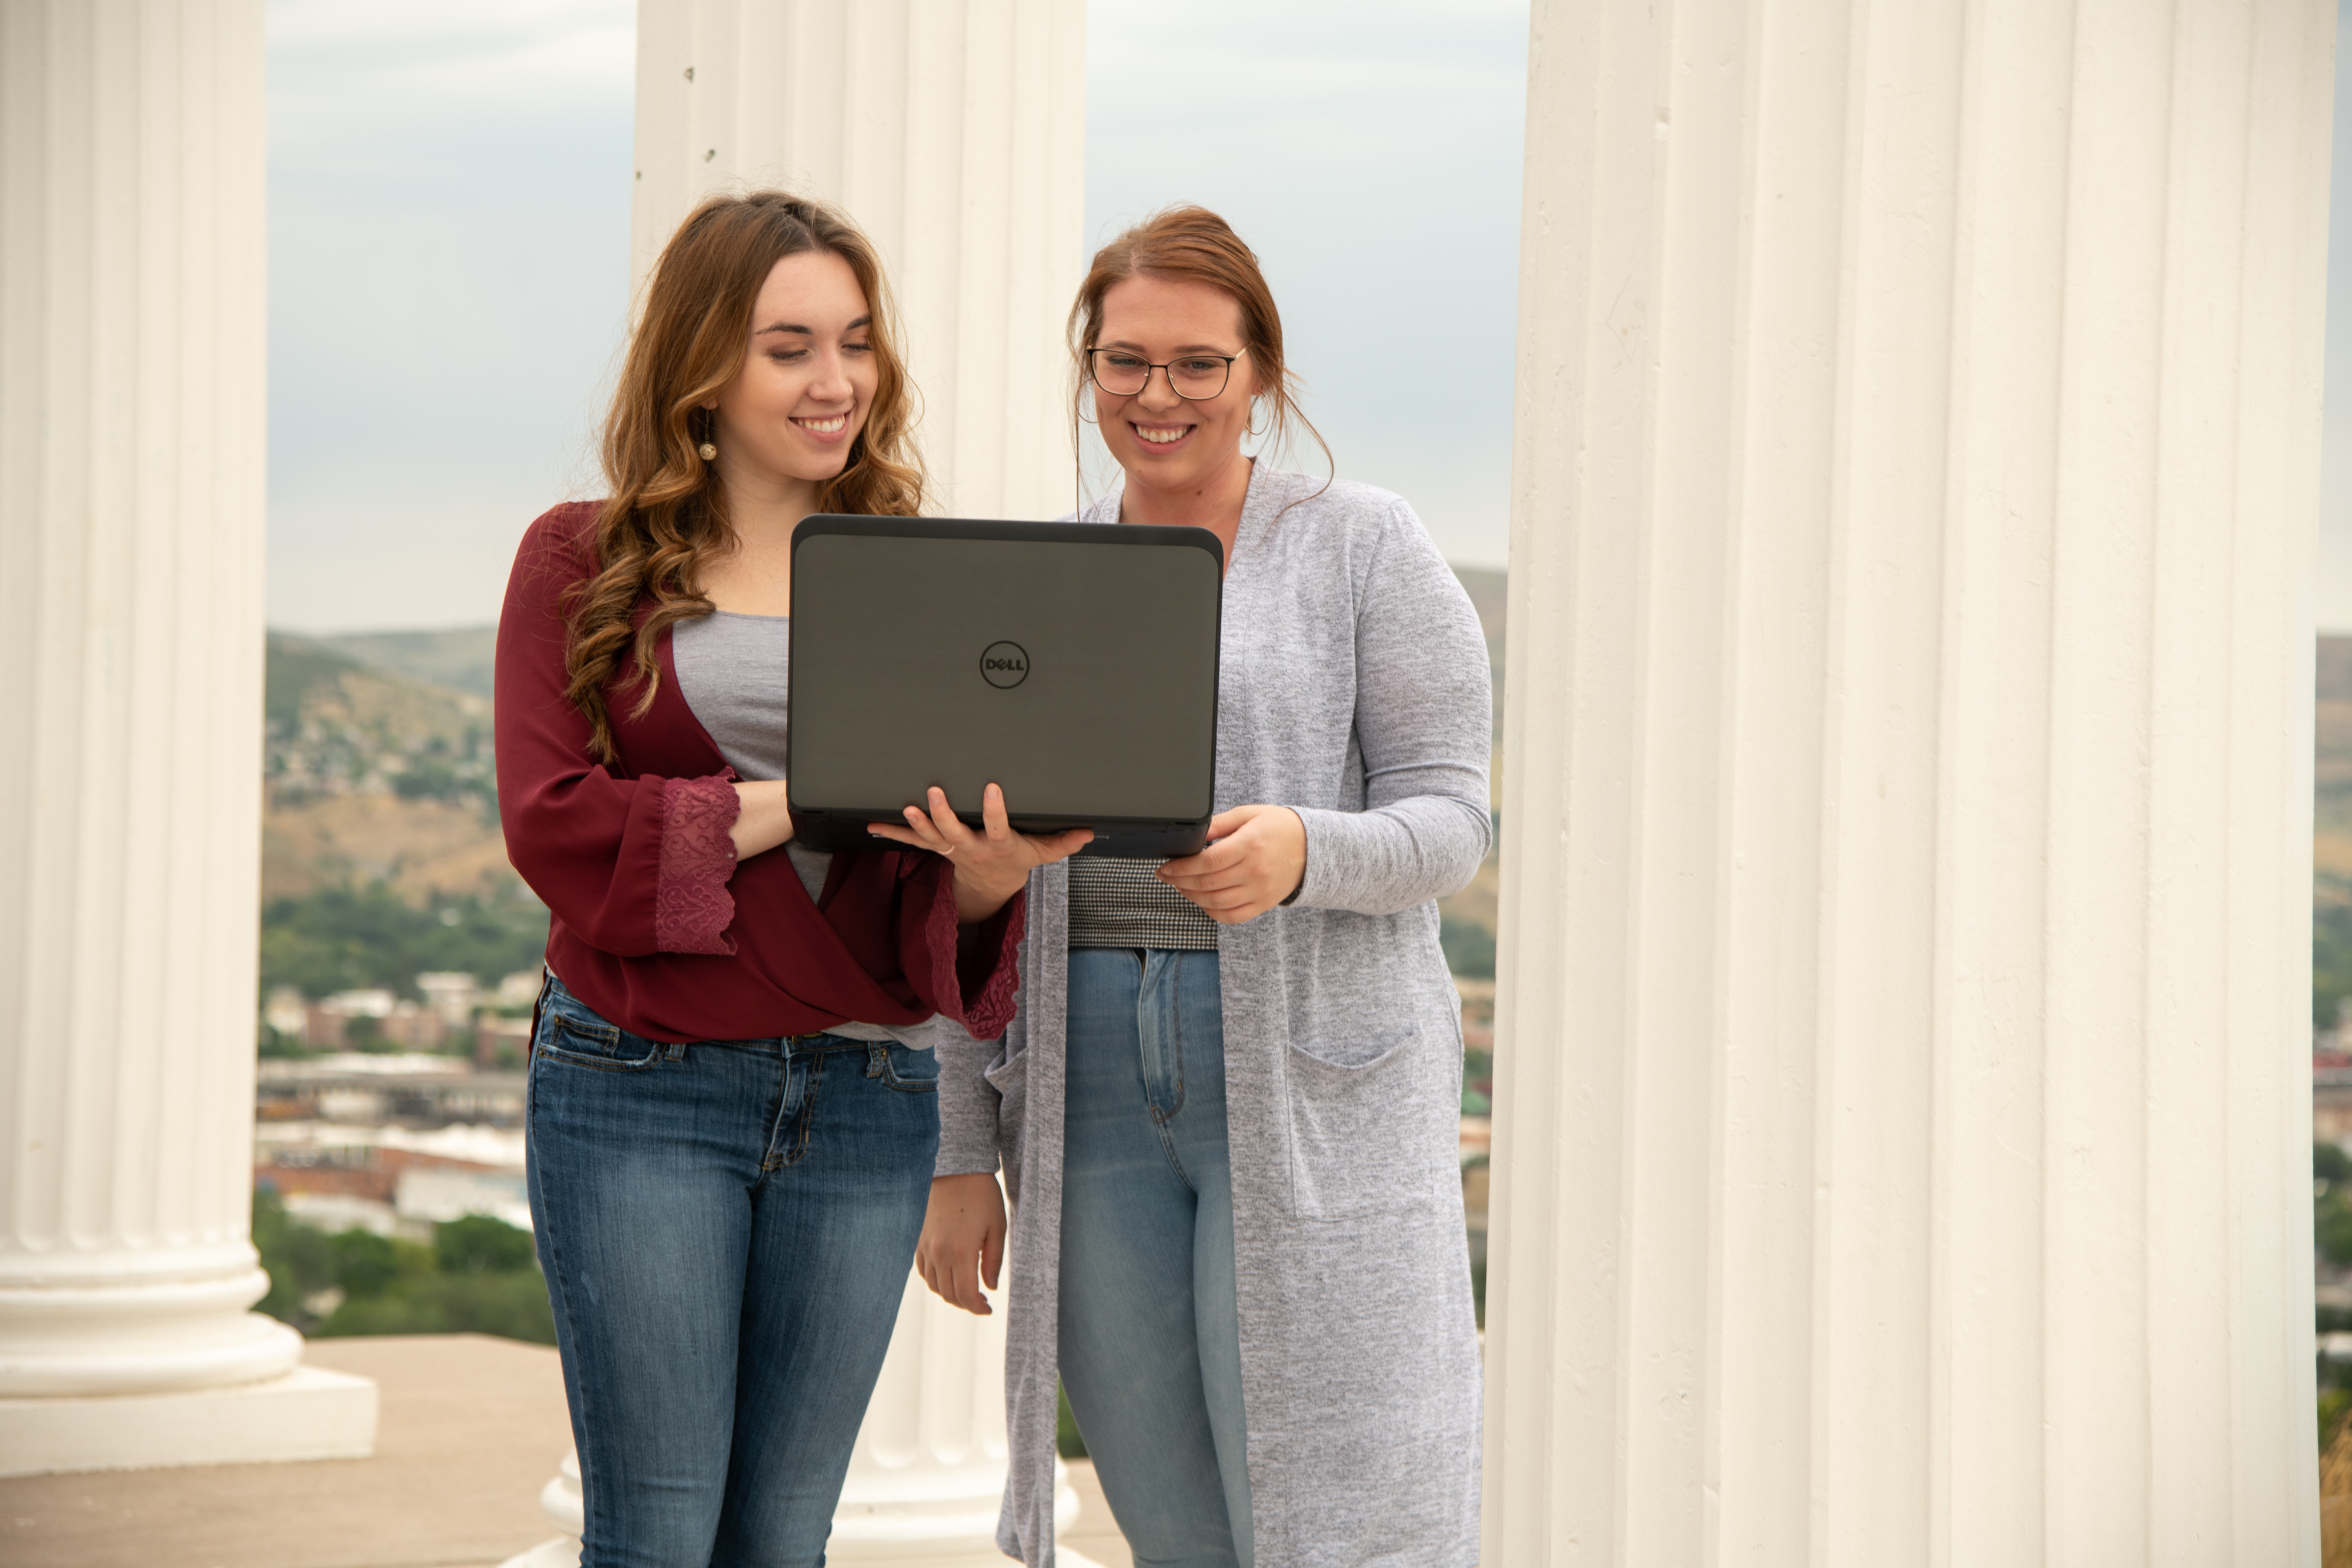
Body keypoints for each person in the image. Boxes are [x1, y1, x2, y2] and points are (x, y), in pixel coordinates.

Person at [496, 190, 1090, 1568]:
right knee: (652, 1533)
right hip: (643, 1079)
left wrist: (993, 879)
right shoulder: (578, 558)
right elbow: (555, 823)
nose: (836, 382)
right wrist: (788, 801)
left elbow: (919, 881)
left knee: (781, 1539)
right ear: (703, 365)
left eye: (857, 343)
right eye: (789, 346)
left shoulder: (917, 573)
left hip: (864, 1087)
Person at [911, 206, 1491, 1567]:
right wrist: (957, 1145)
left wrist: (1303, 848)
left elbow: (1451, 818)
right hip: (1082, 1088)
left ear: (1260, 376)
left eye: (1195, 364)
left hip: (1305, 1078)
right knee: (1165, 1509)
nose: (1154, 396)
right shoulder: (1032, 579)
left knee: (1340, 1511)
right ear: (1087, 368)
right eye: (1123, 362)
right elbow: (950, 885)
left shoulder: (1362, 545)